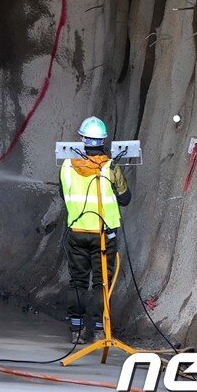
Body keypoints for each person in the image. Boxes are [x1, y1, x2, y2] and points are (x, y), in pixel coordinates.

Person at [59, 116, 130, 343]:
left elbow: (64, 194)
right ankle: (99, 330)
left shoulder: (67, 166)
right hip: (103, 235)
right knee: (101, 282)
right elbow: (126, 198)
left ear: (82, 139)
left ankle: (76, 330)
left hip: (77, 232)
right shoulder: (111, 167)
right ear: (103, 141)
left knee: (78, 281)